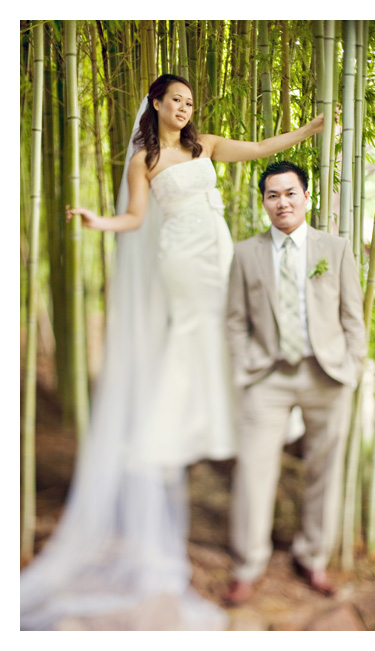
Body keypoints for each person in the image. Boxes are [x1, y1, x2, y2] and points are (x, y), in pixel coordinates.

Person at [21, 74, 323, 630]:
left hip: (217, 246)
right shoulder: (145, 158)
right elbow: (135, 217)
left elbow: (258, 149)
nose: (184, 108)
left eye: (189, 101)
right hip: (181, 257)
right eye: (175, 100)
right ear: (155, 103)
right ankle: (183, 420)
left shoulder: (203, 145)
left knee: (237, 326)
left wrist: (309, 129)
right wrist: (97, 220)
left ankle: (242, 405)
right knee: (198, 329)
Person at [224, 160, 366, 604]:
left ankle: (314, 558)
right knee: (252, 469)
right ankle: (248, 564)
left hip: (326, 373)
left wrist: (353, 366)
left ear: (307, 197)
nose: (281, 202)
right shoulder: (246, 253)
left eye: (290, 193)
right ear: (264, 202)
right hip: (267, 375)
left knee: (325, 468)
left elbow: (353, 317)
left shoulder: (335, 249)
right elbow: (233, 319)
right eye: (272, 195)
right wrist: (244, 363)